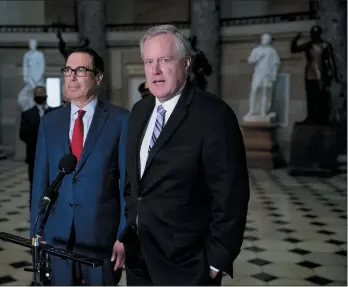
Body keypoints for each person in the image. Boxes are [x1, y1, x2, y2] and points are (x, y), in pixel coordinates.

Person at [122, 25, 250, 286]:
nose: (155, 70)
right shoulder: (138, 111)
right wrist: (128, 224)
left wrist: (217, 258)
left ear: (186, 63)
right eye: (149, 61)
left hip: (188, 265)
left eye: (164, 60)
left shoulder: (214, 115)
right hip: (139, 259)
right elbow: (133, 182)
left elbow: (230, 194)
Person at [30, 47, 128, 285]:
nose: (72, 77)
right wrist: (36, 231)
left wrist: (124, 236)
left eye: (81, 70)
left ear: (98, 77)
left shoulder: (121, 120)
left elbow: (127, 184)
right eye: (68, 70)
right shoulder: (49, 123)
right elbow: (40, 182)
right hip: (57, 235)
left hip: (101, 239)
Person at [19, 86, 54, 205]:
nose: (40, 97)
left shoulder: (54, 113)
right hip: (34, 155)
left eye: (42, 94)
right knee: (35, 184)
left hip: (51, 156)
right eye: (37, 95)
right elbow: (22, 134)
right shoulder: (27, 114)